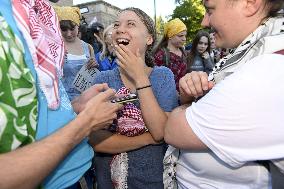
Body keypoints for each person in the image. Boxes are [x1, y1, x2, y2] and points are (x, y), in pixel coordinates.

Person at [0, 1, 122, 189]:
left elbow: (39, 104)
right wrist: (86, 123)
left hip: (75, 173)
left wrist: (76, 106)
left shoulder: (34, 14)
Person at [164, 0, 284, 188]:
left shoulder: (268, 69)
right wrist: (190, 94)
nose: (204, 22)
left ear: (250, 4)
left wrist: (185, 106)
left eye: (210, 10)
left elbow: (173, 130)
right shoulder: (250, 55)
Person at [90, 7, 179, 189]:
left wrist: (140, 77)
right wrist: (146, 138)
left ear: (149, 39)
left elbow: (161, 131)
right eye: (116, 25)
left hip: (152, 181)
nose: (120, 29)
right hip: (109, 181)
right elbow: (96, 140)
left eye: (130, 24)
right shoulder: (102, 80)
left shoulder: (162, 76)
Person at [54, 6, 98, 101]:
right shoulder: (55, 46)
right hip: (64, 101)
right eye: (64, 30)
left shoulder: (88, 47)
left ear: (78, 26)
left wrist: (94, 65)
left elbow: (94, 75)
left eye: (72, 29)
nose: (69, 34)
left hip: (87, 99)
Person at [153, 18, 188, 92]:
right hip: (167, 97)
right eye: (180, 36)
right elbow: (156, 80)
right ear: (170, 36)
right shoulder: (160, 55)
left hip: (183, 95)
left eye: (185, 36)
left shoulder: (184, 52)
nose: (184, 39)